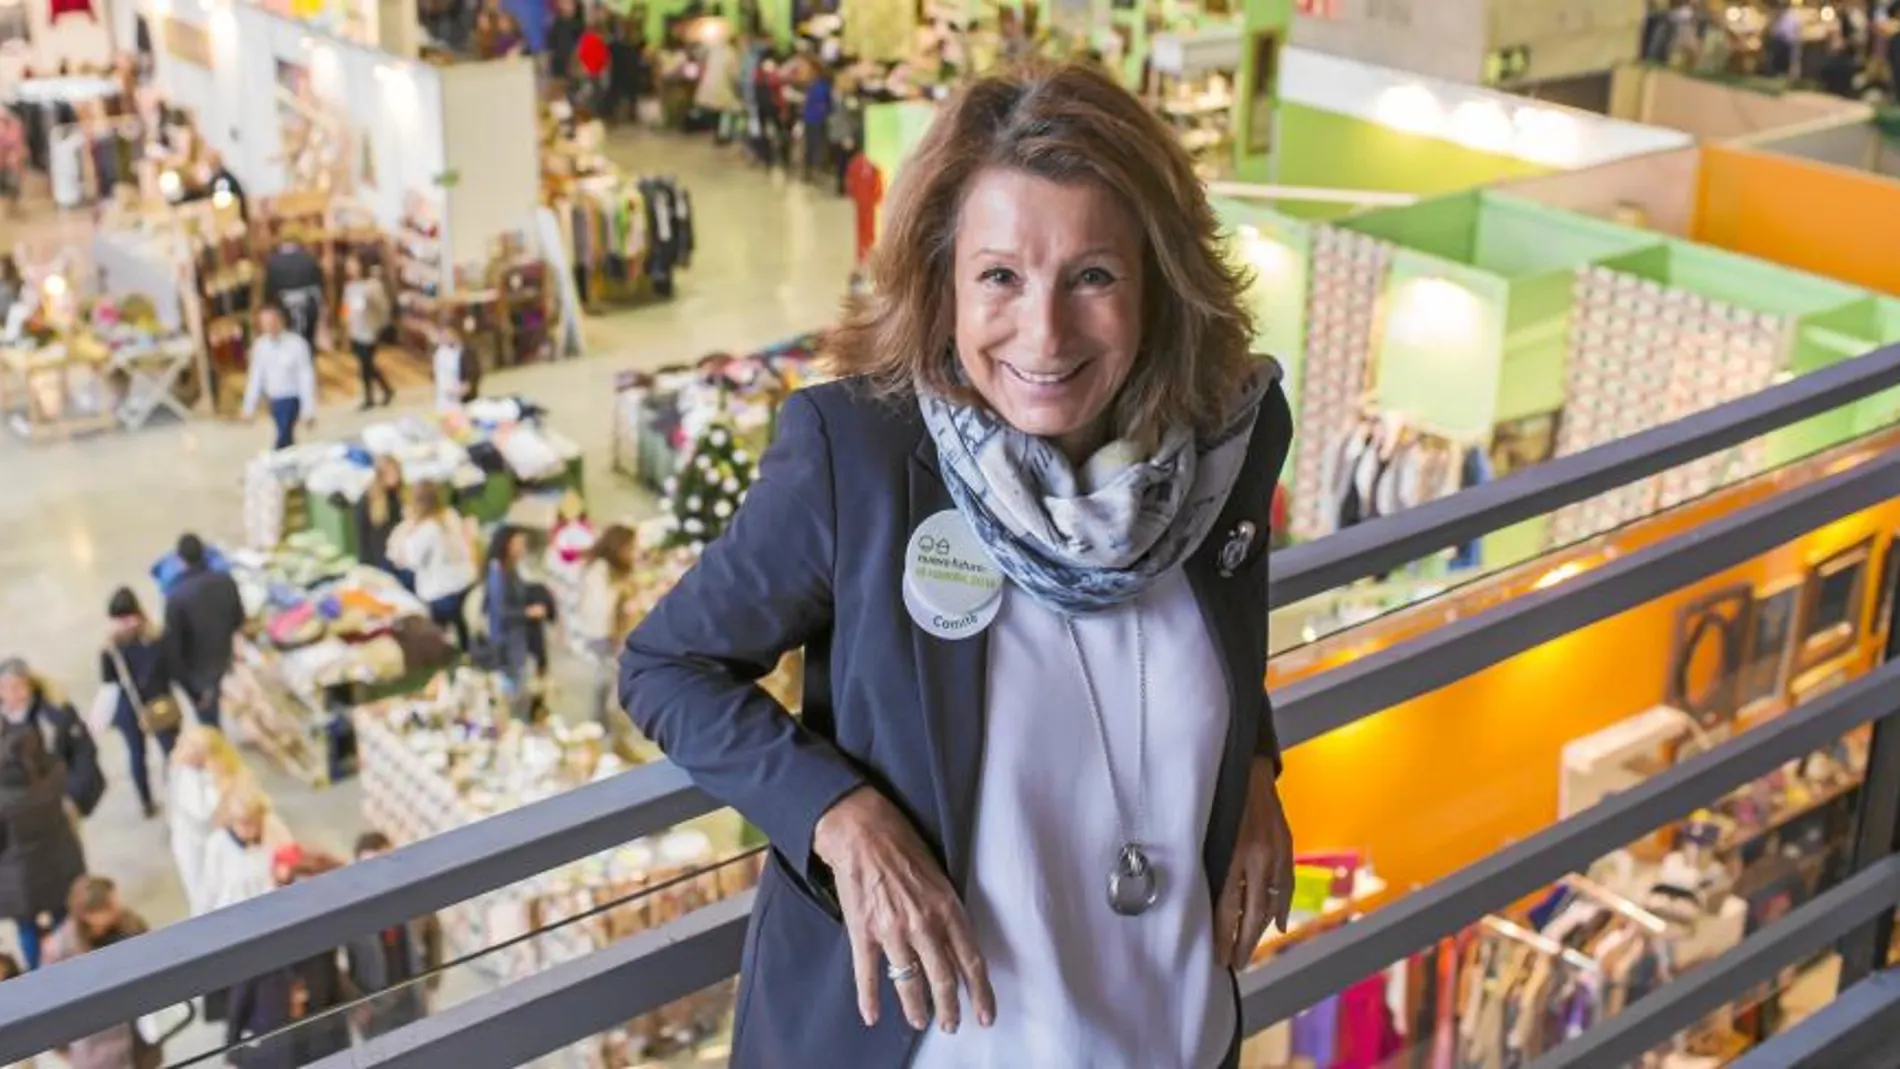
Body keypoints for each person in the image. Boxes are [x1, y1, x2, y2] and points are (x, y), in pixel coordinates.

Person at [620, 63, 1295, 1068]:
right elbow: (666, 666)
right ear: (943, 280)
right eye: (1000, 277)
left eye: (1093, 275)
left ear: (1158, 277)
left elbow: (1223, 635)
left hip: (1172, 1034)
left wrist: (1249, 764)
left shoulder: (1223, 446)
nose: (1044, 331)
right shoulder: (859, 461)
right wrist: (838, 818)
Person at [226, 848, 351, 1067]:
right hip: (271, 1052)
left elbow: (334, 1000)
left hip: (317, 1048)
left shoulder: (323, 948)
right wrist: (235, 1052)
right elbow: (239, 1002)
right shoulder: (261, 945)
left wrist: (342, 1047)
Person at [44, 876, 161, 1069]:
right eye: (110, 906)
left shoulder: (128, 921)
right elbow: (51, 1008)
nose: (118, 909)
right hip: (98, 1048)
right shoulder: (61, 950)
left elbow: (152, 951)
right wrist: (62, 1050)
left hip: (137, 1033)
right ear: (88, 914)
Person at [0, 728, 88, 971]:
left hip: (20, 879)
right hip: (59, 864)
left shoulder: (4, 799)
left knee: (27, 928)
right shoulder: (54, 776)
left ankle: (39, 976)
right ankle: (71, 967)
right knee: (63, 919)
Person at [342, 832, 443, 1038]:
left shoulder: (414, 896)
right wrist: (357, 1004)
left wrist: (432, 979)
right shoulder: (350, 910)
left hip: (414, 998)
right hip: (375, 1008)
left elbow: (434, 933)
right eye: (371, 865)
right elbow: (333, 964)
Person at [100, 587, 181, 819]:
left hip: (128, 708)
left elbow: (108, 681)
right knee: (172, 752)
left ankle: (146, 802)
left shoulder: (110, 648)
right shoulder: (157, 639)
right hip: (160, 705)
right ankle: (176, 793)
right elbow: (172, 670)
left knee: (136, 754)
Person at [0, 659, 104, 819]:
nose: (17, 695)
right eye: (8, 688)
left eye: (20, 687)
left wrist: (73, 796)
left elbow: (83, 751)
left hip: (58, 808)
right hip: (15, 817)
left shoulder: (56, 714)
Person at [163, 532, 246, 728]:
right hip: (224, 658)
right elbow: (238, 619)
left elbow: (173, 650)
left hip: (199, 672)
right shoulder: (225, 581)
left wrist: (190, 690)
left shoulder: (176, 598)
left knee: (209, 724)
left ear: (179, 561)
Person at [391, 481, 479, 651]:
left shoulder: (426, 530)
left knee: (441, 640)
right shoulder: (450, 515)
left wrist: (408, 530)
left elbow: (411, 560)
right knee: (464, 630)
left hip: (441, 592)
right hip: (464, 582)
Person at [168, 725, 245, 915]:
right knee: (202, 894)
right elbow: (202, 815)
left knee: (221, 890)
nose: (180, 746)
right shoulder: (182, 772)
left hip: (215, 841)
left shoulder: (215, 772)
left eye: (189, 745)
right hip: (194, 843)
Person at [576, 524, 638, 726]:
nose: (632, 553)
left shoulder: (612, 569)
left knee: (608, 680)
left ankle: (604, 723)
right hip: (601, 633)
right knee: (605, 680)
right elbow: (601, 604)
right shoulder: (600, 569)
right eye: (629, 547)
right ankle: (601, 723)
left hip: (610, 632)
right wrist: (622, 589)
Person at [484, 526, 545, 717]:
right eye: (518, 543)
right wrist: (528, 612)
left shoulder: (511, 568)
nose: (522, 547)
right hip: (507, 640)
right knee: (513, 685)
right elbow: (500, 611)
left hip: (515, 637)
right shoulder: (499, 572)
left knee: (518, 681)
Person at [241, 303, 317, 450]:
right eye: (265, 323)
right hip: (274, 398)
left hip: (292, 397)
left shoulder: (296, 344)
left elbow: (305, 376)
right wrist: (249, 406)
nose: (269, 326)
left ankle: (279, 457)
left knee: (283, 438)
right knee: (285, 438)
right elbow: (256, 377)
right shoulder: (261, 346)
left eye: (271, 322)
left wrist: (308, 409)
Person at [341, 257, 394, 409]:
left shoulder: (372, 285)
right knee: (365, 364)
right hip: (355, 330)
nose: (350, 269)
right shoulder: (349, 287)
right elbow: (346, 308)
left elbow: (382, 306)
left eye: (352, 265)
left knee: (367, 363)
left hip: (370, 329)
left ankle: (376, 393)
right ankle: (379, 391)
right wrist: (345, 325)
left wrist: (381, 324)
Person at [358, 456, 407, 582]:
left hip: (400, 555)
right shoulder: (368, 499)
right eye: (391, 472)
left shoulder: (400, 494)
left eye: (396, 472)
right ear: (381, 475)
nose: (395, 476)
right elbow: (362, 534)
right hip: (381, 559)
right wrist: (366, 565)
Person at [432, 322, 478, 412]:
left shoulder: (465, 352)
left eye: (449, 334)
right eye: (443, 334)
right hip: (444, 400)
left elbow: (472, 375)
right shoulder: (440, 353)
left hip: (463, 400)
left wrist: (464, 389)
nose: (445, 337)